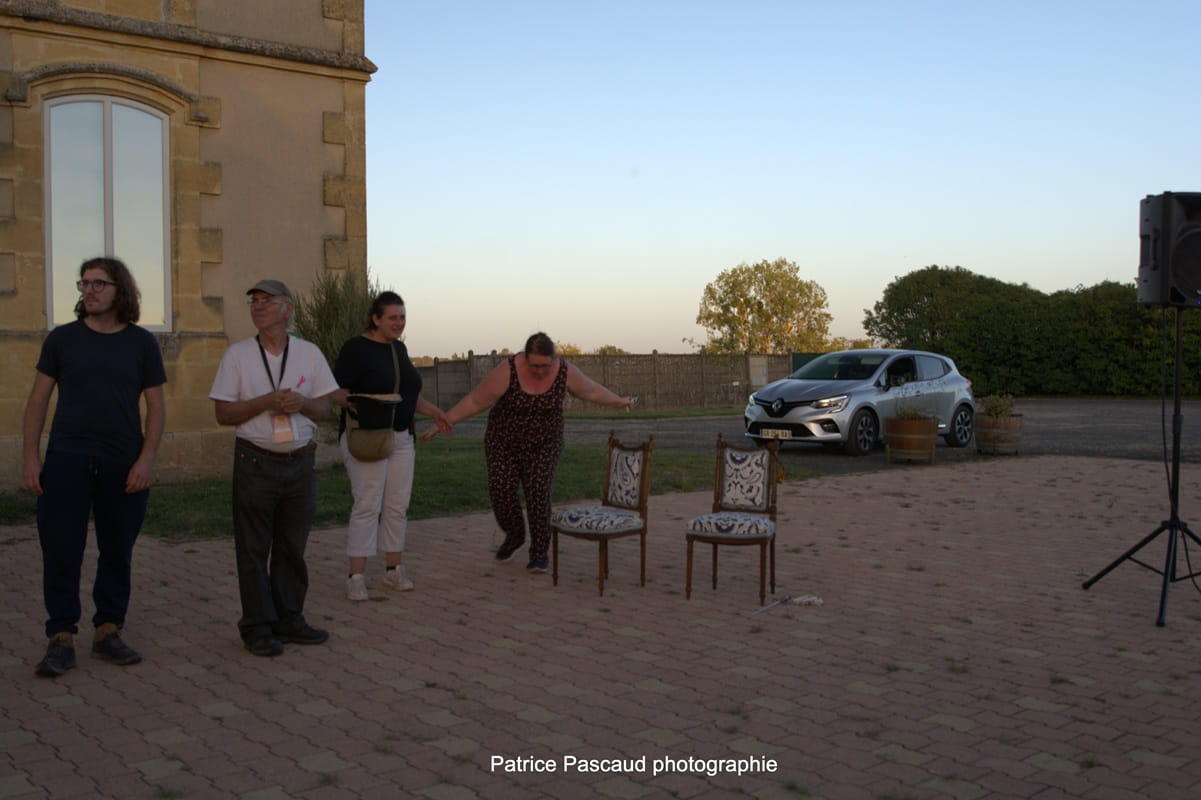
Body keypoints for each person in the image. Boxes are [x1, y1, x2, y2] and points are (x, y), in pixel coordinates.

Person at [22, 257, 167, 677]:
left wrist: (146, 460)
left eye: (99, 283)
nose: (89, 290)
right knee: (61, 548)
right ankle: (60, 636)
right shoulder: (62, 340)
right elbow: (37, 401)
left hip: (122, 461)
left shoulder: (141, 343)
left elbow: (156, 408)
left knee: (117, 549)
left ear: (120, 290)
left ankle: (108, 630)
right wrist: (31, 457)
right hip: (67, 459)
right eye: (84, 283)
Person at [422, 332, 634, 573]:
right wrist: (445, 421)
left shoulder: (564, 371)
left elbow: (591, 391)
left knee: (538, 491)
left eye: (545, 366)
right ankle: (515, 535)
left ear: (553, 359)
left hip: (545, 443)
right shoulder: (507, 370)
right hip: (503, 442)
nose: (540, 371)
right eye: (534, 366)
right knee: (500, 490)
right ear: (525, 358)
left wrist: (619, 401)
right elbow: (475, 401)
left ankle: (539, 552)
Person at [209, 279, 339, 657]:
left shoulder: (309, 353)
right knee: (253, 548)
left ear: (288, 309)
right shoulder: (237, 355)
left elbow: (324, 409)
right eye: (254, 301)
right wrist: (265, 401)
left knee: (292, 546)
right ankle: (257, 627)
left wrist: (302, 404)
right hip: (255, 462)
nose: (258, 306)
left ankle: (290, 619)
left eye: (267, 300)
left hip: (300, 463)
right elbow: (223, 413)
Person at [332, 291, 450, 600]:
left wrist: (434, 412)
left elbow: (407, 395)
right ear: (375, 318)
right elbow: (335, 391)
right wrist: (354, 402)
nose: (399, 323)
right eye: (392, 317)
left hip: (401, 437)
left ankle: (393, 570)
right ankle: (356, 576)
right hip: (368, 436)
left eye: (402, 317)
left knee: (397, 506)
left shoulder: (399, 348)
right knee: (367, 505)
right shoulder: (355, 348)